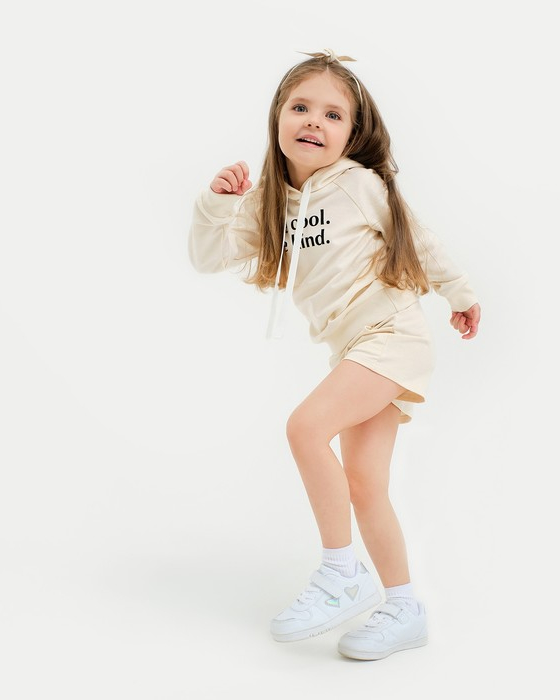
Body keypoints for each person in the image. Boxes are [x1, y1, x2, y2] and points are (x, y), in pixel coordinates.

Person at [188, 48, 481, 661]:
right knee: (366, 485)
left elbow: (415, 236)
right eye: (300, 107)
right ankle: (405, 608)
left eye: (332, 114)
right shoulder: (272, 205)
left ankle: (341, 573)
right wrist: (216, 203)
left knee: (304, 428)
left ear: (352, 133)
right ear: (277, 118)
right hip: (354, 348)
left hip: (390, 337)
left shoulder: (356, 184)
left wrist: (460, 293)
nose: (314, 122)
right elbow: (207, 257)